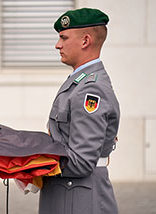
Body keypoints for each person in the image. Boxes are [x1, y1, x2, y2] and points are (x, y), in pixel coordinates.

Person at [39, 8, 120, 214]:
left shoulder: (90, 89)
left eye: (64, 38)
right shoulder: (80, 81)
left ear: (85, 41)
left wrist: (31, 162)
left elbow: (82, 162)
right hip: (70, 196)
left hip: (78, 200)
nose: (58, 45)